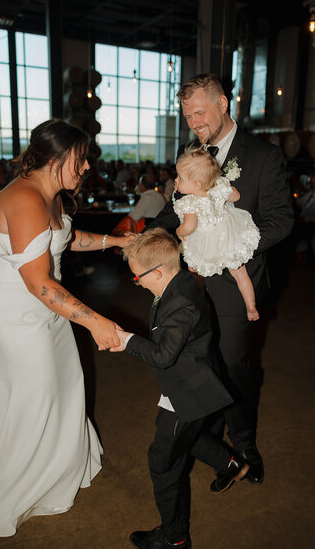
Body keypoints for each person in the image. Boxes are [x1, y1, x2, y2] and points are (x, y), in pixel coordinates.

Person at [0, 119, 134, 537]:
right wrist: (96, 322)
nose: (86, 166)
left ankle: (54, 468)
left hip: (45, 309)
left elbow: (63, 239)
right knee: (34, 395)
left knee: (59, 387)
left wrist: (116, 242)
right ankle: (16, 484)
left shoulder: (48, 196)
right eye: (81, 158)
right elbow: (38, 282)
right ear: (56, 157)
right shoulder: (22, 198)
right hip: (19, 316)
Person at [146, 73, 294, 484]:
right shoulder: (188, 152)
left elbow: (282, 221)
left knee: (233, 365)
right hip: (190, 281)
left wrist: (233, 249)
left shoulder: (264, 156)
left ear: (223, 104)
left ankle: (244, 441)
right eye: (187, 115)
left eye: (199, 112)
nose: (193, 123)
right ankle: (213, 442)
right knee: (197, 362)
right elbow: (176, 208)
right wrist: (150, 235)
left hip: (234, 281)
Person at [112, 228, 249, 549]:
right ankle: (229, 464)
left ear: (156, 273)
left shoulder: (181, 306)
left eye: (137, 278)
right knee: (188, 437)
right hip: (196, 381)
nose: (138, 283)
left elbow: (162, 356)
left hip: (187, 390)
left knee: (162, 463)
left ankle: (175, 539)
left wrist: (126, 340)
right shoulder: (182, 280)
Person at [174, 148, 261, 321]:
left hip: (206, 240)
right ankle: (251, 306)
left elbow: (190, 227)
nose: (176, 180)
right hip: (228, 233)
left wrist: (178, 231)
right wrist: (220, 186)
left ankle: (197, 303)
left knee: (193, 269)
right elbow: (236, 196)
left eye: (180, 178)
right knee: (240, 273)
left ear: (197, 185)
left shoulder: (189, 202)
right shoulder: (218, 187)